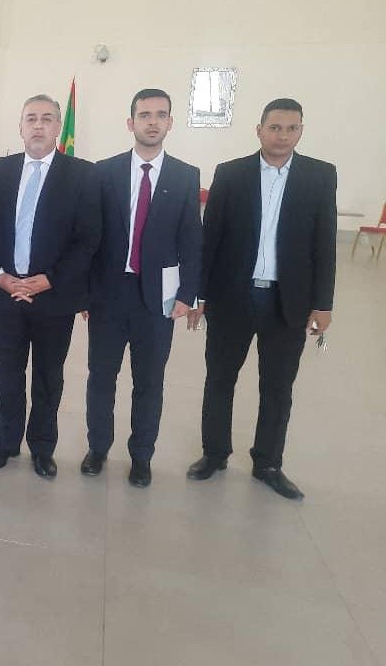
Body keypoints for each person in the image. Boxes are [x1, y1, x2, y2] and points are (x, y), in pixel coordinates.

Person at [186, 98, 336, 500]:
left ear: (301, 131)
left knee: (278, 387)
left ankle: (268, 463)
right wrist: (199, 294)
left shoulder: (320, 176)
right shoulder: (231, 174)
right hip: (232, 297)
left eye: (291, 128)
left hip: (288, 302)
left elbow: (324, 244)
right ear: (259, 130)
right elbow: (210, 239)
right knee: (220, 378)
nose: (282, 135)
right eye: (274, 127)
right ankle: (214, 454)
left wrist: (323, 303)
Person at [83, 89, 202, 487]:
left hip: (158, 298)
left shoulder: (186, 176)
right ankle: (98, 448)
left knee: (149, 382)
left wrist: (188, 294)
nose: (153, 121)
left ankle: (141, 456)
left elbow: (191, 239)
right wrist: (85, 291)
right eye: (145, 114)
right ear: (130, 122)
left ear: (170, 123)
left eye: (160, 115)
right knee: (101, 377)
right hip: (107, 294)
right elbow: (91, 237)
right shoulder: (104, 172)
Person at [0, 94, 100, 479]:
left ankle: (43, 447)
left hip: (54, 297)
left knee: (48, 376)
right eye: (31, 118)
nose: (38, 125)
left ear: (58, 127)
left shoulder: (81, 174)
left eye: (47, 119)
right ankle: (5, 443)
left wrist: (50, 279)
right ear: (20, 126)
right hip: (4, 293)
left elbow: (87, 240)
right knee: (7, 374)